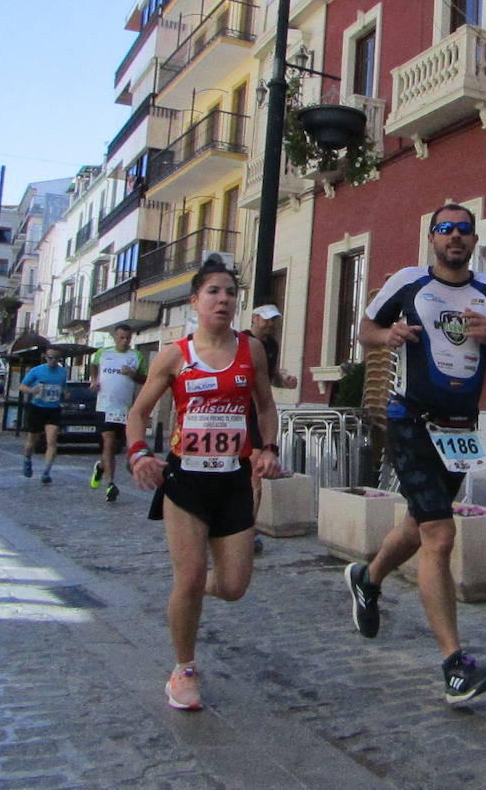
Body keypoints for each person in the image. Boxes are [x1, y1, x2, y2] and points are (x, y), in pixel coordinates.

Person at [344, 204, 486, 705]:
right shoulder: (407, 282)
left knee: (421, 523)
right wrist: (390, 335)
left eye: (464, 230)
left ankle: (368, 577)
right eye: (446, 229)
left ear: (474, 240)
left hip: (460, 430)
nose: (455, 237)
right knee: (439, 535)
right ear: (431, 238)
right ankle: (454, 665)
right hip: (410, 420)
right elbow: (365, 330)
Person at [125, 261, 282, 711]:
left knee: (233, 586)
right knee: (190, 577)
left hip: (233, 480)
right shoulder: (175, 355)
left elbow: (266, 405)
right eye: (213, 291)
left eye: (231, 292)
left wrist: (267, 447)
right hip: (185, 479)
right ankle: (183, 669)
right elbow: (138, 412)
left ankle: (187, 588)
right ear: (195, 301)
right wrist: (138, 453)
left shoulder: (251, 351)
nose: (223, 299)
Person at [246, 302, 297, 552]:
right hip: (238, 412)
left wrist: (284, 380)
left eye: (274, 319)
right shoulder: (240, 340)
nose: (270, 324)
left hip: (259, 415)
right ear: (254, 318)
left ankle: (249, 528)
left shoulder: (272, 346)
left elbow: (270, 375)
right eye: (266, 319)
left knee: (256, 475)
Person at [89, 324, 147, 504]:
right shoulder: (103, 353)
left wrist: (133, 374)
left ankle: (100, 467)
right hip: (105, 406)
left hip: (125, 409)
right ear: (115, 337)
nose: (124, 341)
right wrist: (94, 380)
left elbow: (145, 379)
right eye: (121, 338)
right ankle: (111, 484)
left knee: (116, 448)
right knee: (108, 443)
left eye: (127, 338)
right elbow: (93, 365)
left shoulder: (136, 356)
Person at [19, 347, 66, 483]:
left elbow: (63, 388)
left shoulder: (62, 372)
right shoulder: (37, 371)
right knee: (32, 441)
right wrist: (32, 390)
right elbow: (22, 386)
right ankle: (27, 458)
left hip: (53, 409)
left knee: (51, 441)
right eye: (50, 357)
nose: (53, 360)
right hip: (37, 408)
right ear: (45, 357)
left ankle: (46, 471)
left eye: (56, 358)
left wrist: (65, 393)